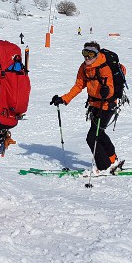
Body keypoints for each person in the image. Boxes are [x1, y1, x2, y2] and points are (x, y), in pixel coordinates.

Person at [50, 41, 125, 175]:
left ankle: (105, 167)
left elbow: (111, 88)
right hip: (94, 105)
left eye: (91, 54)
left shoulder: (104, 67)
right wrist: (64, 98)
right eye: (85, 53)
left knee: (92, 137)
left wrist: (106, 91)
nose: (87, 57)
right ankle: (112, 160)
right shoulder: (84, 67)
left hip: (107, 104)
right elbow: (79, 85)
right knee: (99, 133)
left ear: (97, 54)